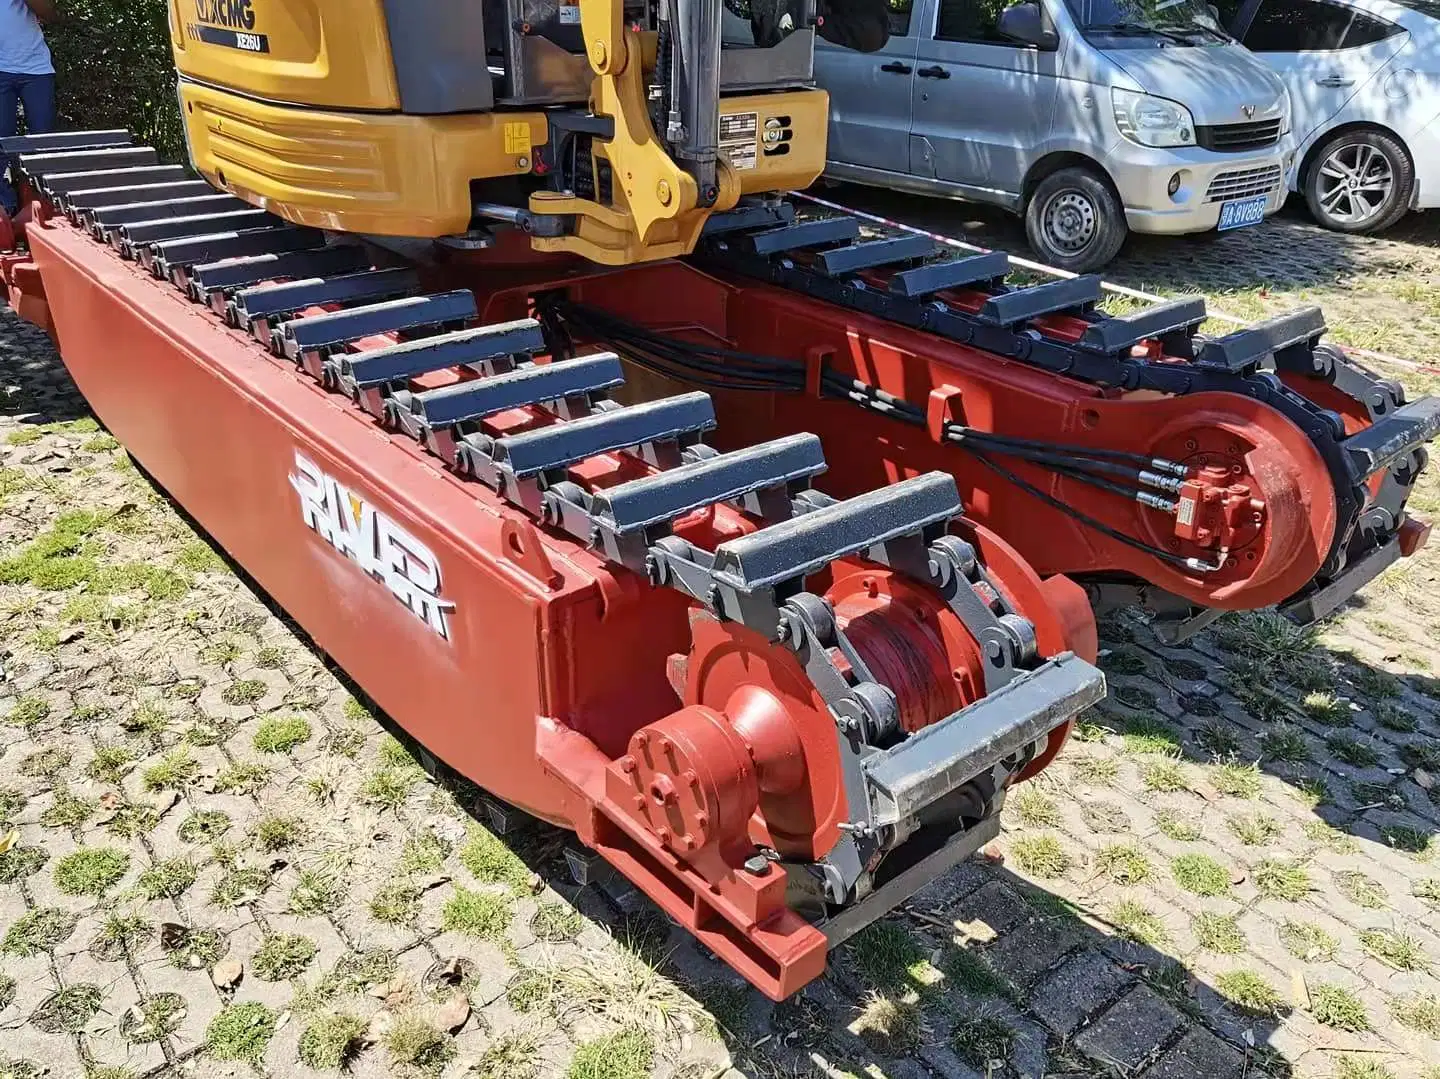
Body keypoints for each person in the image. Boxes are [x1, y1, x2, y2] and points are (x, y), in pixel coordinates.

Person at [0, 0, 59, 217]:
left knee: (43, 140)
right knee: (2, 139)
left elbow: (51, 14)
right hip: (1, 71)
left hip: (36, 70)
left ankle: (45, 201)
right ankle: (6, 208)